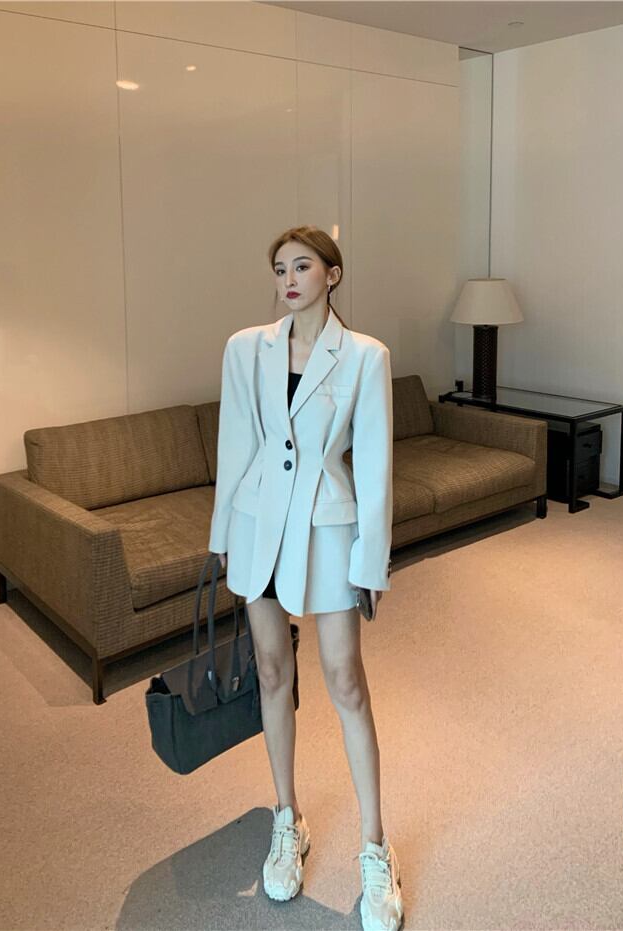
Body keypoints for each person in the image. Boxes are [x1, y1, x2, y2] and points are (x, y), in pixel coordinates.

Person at [209, 225, 402, 931]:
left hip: (327, 528)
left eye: (302, 266)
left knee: (346, 680)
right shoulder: (245, 348)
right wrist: (223, 534)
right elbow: (236, 443)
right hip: (259, 524)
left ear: (333, 274)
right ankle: (287, 819)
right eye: (279, 269)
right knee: (271, 671)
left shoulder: (365, 356)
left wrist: (371, 558)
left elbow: (374, 463)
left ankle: (375, 847)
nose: (288, 279)